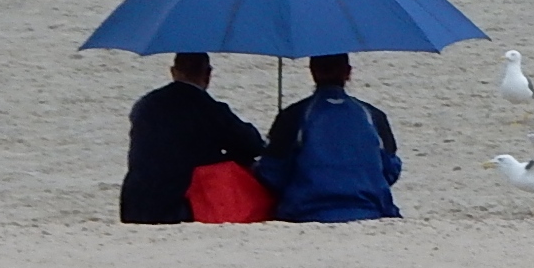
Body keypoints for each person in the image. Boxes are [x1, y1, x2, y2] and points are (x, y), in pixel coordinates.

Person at [120, 52, 266, 224]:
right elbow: (252, 144)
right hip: (180, 203)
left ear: (173, 71)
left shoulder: (144, 105)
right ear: (208, 74)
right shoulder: (209, 108)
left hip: (134, 201)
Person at [255, 54, 403, 222]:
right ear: (348, 72)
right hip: (370, 209)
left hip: (306, 211)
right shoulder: (373, 115)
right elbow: (391, 170)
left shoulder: (294, 114)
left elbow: (271, 173)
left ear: (313, 71)